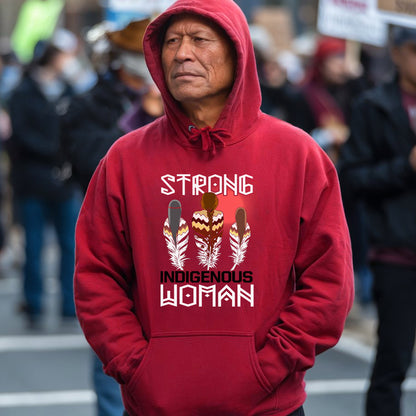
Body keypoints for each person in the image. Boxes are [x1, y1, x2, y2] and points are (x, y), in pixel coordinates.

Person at [74, 1, 354, 415]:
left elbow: (329, 281)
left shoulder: (297, 154)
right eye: (171, 41)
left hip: (268, 406)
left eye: (200, 40)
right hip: (156, 404)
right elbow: (97, 276)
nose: (182, 53)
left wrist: (271, 364)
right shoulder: (124, 159)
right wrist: (136, 365)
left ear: (237, 52)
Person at [62, 18, 163, 416]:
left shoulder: (176, 96)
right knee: (114, 335)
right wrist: (139, 123)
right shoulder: (89, 103)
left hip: (166, 235)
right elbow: (89, 160)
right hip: (114, 231)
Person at [338, 26, 416, 416]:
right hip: (397, 252)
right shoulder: (374, 105)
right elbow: (352, 178)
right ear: (397, 53)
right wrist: (406, 167)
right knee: (393, 361)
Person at [7, 39, 81, 328]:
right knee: (34, 245)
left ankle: (68, 304)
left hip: (64, 182)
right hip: (33, 179)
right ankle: (34, 305)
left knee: (69, 246)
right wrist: (55, 152)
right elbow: (21, 135)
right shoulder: (22, 92)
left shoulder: (70, 90)